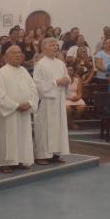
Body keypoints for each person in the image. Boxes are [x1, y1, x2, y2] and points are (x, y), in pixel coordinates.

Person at [0, 46, 39, 173]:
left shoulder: (24, 71)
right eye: (14, 53)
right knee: (7, 136)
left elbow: (33, 89)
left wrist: (29, 103)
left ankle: (19, 159)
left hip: (24, 111)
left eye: (19, 52)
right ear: (6, 57)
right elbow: (0, 95)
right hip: (10, 113)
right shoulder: (1, 73)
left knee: (22, 135)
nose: (18, 55)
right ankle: (5, 162)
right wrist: (15, 106)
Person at [33, 37, 70, 165]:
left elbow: (67, 78)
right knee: (44, 128)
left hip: (58, 100)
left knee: (58, 128)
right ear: (44, 48)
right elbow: (37, 85)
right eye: (52, 45)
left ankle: (55, 153)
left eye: (56, 45)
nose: (55, 47)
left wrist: (66, 81)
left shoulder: (60, 63)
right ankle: (41, 155)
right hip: (47, 101)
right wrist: (56, 82)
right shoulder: (40, 65)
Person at [65, 65, 86, 130]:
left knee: (82, 107)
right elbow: (61, 93)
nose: (69, 71)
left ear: (74, 71)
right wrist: (69, 98)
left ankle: (69, 122)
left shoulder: (77, 80)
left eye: (71, 70)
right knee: (68, 109)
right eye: (68, 70)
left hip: (75, 97)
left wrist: (77, 97)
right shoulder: (63, 80)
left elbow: (80, 93)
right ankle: (71, 124)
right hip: (66, 97)